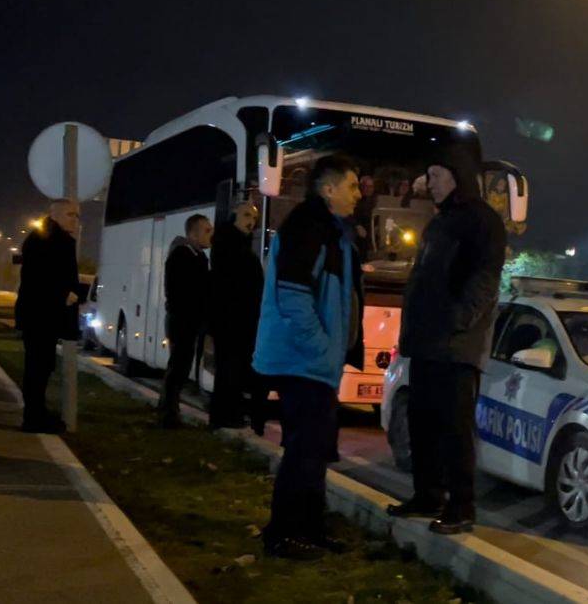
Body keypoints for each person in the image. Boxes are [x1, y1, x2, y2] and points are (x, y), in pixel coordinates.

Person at [388, 146, 507, 535]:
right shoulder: (441, 222)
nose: (430, 183)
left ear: (457, 176)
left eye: (436, 175)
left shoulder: (482, 221)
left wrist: (456, 321)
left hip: (456, 347)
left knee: (454, 428)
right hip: (425, 344)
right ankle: (427, 496)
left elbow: (484, 281)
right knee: (422, 422)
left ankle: (461, 506)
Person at [252, 154, 364, 559]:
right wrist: (321, 348)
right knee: (303, 451)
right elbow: (294, 297)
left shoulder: (332, 231)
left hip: (315, 363)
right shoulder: (308, 227)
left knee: (315, 451)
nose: (358, 193)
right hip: (302, 361)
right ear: (328, 188)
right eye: (352, 186)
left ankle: (310, 530)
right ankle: (283, 534)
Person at [15, 199, 82, 433]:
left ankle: (36, 414)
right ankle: (33, 418)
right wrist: (65, 294)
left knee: (41, 366)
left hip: (41, 314)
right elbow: (39, 277)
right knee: (38, 366)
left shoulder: (48, 238)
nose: (75, 219)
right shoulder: (49, 240)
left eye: (77, 215)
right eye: (71, 214)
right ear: (55, 215)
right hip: (42, 315)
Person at [208, 202, 263, 430]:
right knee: (230, 368)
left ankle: (227, 414)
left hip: (236, 319)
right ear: (234, 216)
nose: (251, 221)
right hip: (233, 320)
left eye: (254, 218)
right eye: (246, 215)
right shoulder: (230, 245)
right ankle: (226, 416)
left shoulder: (236, 244)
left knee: (232, 369)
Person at [157, 214, 212, 428]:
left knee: (180, 367)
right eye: (207, 230)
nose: (211, 235)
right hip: (182, 321)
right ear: (193, 233)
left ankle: (169, 409)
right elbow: (184, 292)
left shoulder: (198, 256)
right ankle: (168, 415)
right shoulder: (182, 256)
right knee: (178, 367)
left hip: (190, 320)